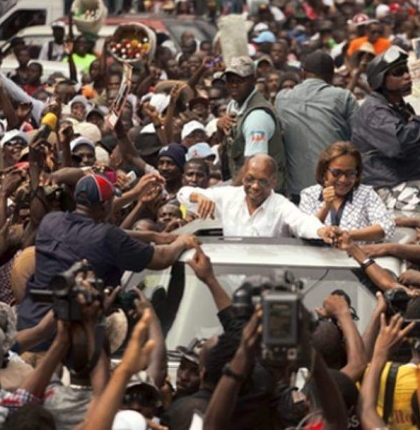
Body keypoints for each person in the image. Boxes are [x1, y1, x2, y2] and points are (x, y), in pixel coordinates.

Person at [17, 174, 199, 344]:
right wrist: (181, 242)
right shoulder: (106, 236)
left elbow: (96, 231)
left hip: (27, 326)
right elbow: (161, 259)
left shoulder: (50, 221)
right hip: (71, 338)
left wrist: (153, 236)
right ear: (105, 206)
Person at [351, 46, 420, 218]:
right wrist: (418, 123)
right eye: (398, 72)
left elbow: (419, 154)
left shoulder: (399, 108)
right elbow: (399, 143)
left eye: (406, 70)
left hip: (409, 183)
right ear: (381, 79)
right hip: (385, 188)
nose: (407, 76)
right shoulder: (374, 111)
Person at [177, 154, 340, 241]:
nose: (254, 186)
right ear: (242, 177)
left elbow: (302, 222)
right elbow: (182, 193)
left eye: (262, 181)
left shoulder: (281, 206)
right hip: (230, 279)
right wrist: (196, 196)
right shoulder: (229, 196)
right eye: (249, 179)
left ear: (273, 181)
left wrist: (321, 231)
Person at [275, 51, 360, 200]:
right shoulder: (343, 97)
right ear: (331, 76)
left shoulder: (282, 98)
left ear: (303, 74)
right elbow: (361, 139)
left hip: (298, 192)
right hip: (338, 189)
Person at [299, 142, 395, 244]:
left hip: (356, 257)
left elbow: (386, 227)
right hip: (317, 258)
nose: (343, 179)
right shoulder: (309, 195)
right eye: (336, 173)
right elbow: (303, 230)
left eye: (350, 173)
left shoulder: (366, 194)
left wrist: (347, 235)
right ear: (324, 171)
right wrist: (326, 207)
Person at [216, 56, 286, 191]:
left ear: (253, 80)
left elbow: (253, 166)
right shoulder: (234, 104)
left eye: (240, 80)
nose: (233, 85)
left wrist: (229, 194)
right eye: (230, 80)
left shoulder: (257, 116)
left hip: (264, 191)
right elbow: (225, 144)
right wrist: (219, 125)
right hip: (245, 183)